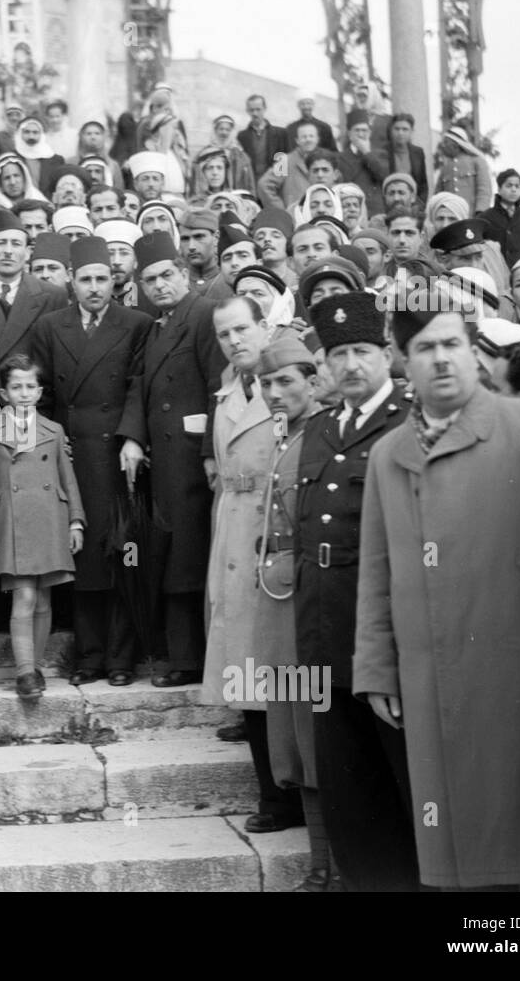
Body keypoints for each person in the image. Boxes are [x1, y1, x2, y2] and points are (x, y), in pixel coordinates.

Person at [353, 284, 520, 889]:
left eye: (454, 344)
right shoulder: (389, 454)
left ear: (475, 353)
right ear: (403, 360)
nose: (442, 359)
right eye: (427, 347)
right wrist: (378, 668)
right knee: (456, 851)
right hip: (431, 676)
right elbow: (376, 570)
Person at [295, 290, 419, 891]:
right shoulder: (319, 430)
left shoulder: (409, 420)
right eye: (339, 352)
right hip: (322, 627)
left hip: (384, 633)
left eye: (363, 351)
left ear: (387, 352)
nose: (351, 365)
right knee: (347, 786)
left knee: (402, 780)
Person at [29, 236, 153, 685]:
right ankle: (89, 657)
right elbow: (38, 394)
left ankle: (121, 660)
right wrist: (48, 441)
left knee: (121, 554)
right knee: (82, 558)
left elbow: (140, 385)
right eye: (86, 280)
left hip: (119, 456)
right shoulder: (49, 327)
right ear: (71, 282)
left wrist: (133, 437)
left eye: (102, 279)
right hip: (72, 455)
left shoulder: (136, 323)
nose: (95, 287)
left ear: (113, 281)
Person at [203, 292, 303, 834]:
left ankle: (289, 794)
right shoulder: (227, 391)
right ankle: (273, 793)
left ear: (264, 326)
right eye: (224, 334)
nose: (235, 341)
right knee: (246, 669)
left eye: (242, 329)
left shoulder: (283, 383)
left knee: (276, 669)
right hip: (233, 532)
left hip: (272, 534)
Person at [117, 232, 224, 687]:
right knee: (174, 556)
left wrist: (210, 453)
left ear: (184, 274)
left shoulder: (203, 316)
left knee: (194, 559)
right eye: (150, 279)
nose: (159, 285)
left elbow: (221, 386)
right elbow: (140, 384)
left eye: (166, 275)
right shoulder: (157, 325)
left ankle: (195, 662)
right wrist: (133, 439)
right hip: (166, 463)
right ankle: (182, 658)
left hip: (196, 462)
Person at [251, 332, 332, 889]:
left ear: (312, 381)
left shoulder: (324, 434)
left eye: (285, 382)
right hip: (279, 591)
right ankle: (319, 864)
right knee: (291, 727)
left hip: (313, 591)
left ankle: (332, 865)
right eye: (266, 384)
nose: (275, 392)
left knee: (317, 725)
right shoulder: (285, 436)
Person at [0, 353, 85, 698]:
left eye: (30, 386)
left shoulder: (54, 431)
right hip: (11, 523)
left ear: (39, 392)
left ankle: (35, 667)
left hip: (50, 518)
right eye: (16, 387)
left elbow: (68, 480)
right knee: (22, 594)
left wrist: (76, 522)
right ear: (4, 394)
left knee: (43, 600)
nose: (24, 393)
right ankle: (24, 673)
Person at [0, 210, 66, 373]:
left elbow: (59, 364)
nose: (8, 250)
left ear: (28, 252)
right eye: (1, 243)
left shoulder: (53, 296)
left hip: (29, 395)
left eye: (15, 244)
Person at [477, 168, 520, 267]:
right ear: (499, 189)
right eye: (509, 185)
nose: (513, 189)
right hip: (494, 271)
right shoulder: (485, 218)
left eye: (517, 186)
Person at [257, 122, 319, 211]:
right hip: (295, 217)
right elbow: (264, 185)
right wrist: (281, 211)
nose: (308, 139)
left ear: (317, 139)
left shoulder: (324, 161)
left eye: (311, 136)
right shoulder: (285, 161)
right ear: (297, 140)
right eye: (304, 137)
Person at [432, 126, 491, 215]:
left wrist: (480, 212)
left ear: (456, 144)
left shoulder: (477, 161)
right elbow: (438, 195)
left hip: (471, 215)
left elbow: (484, 190)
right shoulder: (445, 168)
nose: (443, 145)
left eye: (446, 142)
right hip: (450, 217)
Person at [237, 94, 289, 189]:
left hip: (272, 186)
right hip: (251, 185)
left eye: (258, 109)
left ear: (264, 109)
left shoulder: (280, 134)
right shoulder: (242, 136)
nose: (255, 113)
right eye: (251, 110)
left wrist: (278, 185)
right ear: (247, 111)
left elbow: (282, 163)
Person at [376, 112, 428, 205]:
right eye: (397, 129)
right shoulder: (382, 152)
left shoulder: (418, 152)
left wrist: (420, 206)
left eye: (405, 129)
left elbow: (423, 183)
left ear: (412, 131)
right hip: (390, 203)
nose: (400, 133)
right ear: (391, 130)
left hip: (412, 206)